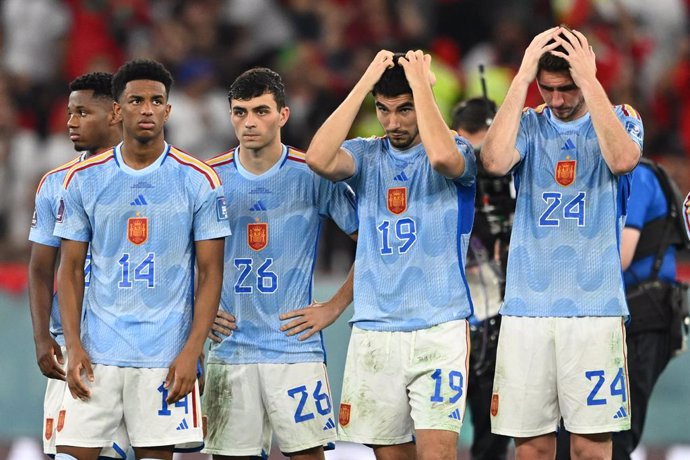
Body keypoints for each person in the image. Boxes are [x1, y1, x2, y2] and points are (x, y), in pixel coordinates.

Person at [53, 59, 230, 460]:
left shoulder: (198, 179)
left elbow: (210, 273)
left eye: (156, 101)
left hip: (164, 357)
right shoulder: (84, 179)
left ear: (168, 110)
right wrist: (74, 345)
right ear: (118, 110)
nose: (147, 109)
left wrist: (191, 350)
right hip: (97, 355)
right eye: (136, 100)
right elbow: (69, 270)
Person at [305, 49, 477, 460]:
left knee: (438, 453)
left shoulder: (461, 152)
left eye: (404, 110)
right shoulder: (367, 155)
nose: (393, 122)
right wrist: (364, 83)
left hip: (440, 325)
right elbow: (317, 158)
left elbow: (441, 157)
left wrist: (423, 86)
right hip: (375, 328)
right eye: (383, 110)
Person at [481, 26, 643, 460]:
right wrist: (521, 77)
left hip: (595, 309)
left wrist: (589, 81)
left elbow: (624, 159)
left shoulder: (621, 116)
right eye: (547, 88)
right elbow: (493, 160)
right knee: (531, 447)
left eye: (567, 87)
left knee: (592, 447)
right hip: (527, 308)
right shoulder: (528, 124)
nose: (556, 99)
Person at [202, 67, 358, 460]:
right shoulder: (208, 179)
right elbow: (181, 253)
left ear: (283, 115)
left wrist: (335, 305)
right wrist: (196, 308)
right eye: (240, 112)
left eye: (260, 111)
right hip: (230, 348)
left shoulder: (312, 174)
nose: (249, 122)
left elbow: (374, 242)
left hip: (294, 348)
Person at [555, 158, 690, 460]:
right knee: (582, 430)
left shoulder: (638, 177)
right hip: (620, 315)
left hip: (642, 314)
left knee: (616, 434)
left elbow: (620, 255)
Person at [28, 71, 129, 459]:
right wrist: (41, 337)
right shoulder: (56, 183)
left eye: (83, 112)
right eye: (70, 113)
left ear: (115, 114)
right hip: (73, 347)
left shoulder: (157, 179)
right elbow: (40, 268)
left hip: (138, 347)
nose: (71, 122)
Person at [451, 97, 513, 460]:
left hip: (502, 321)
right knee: (432, 431)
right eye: (469, 139)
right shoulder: (441, 176)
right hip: (448, 321)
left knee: (494, 439)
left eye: (486, 139)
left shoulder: (518, 179)